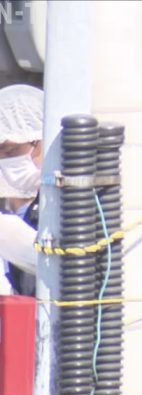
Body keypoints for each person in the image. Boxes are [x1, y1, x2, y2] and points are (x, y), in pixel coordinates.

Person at [0, 84, 44, 296]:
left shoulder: (73, 201)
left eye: (10, 151)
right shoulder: (27, 208)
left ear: (40, 141)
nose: (4, 161)